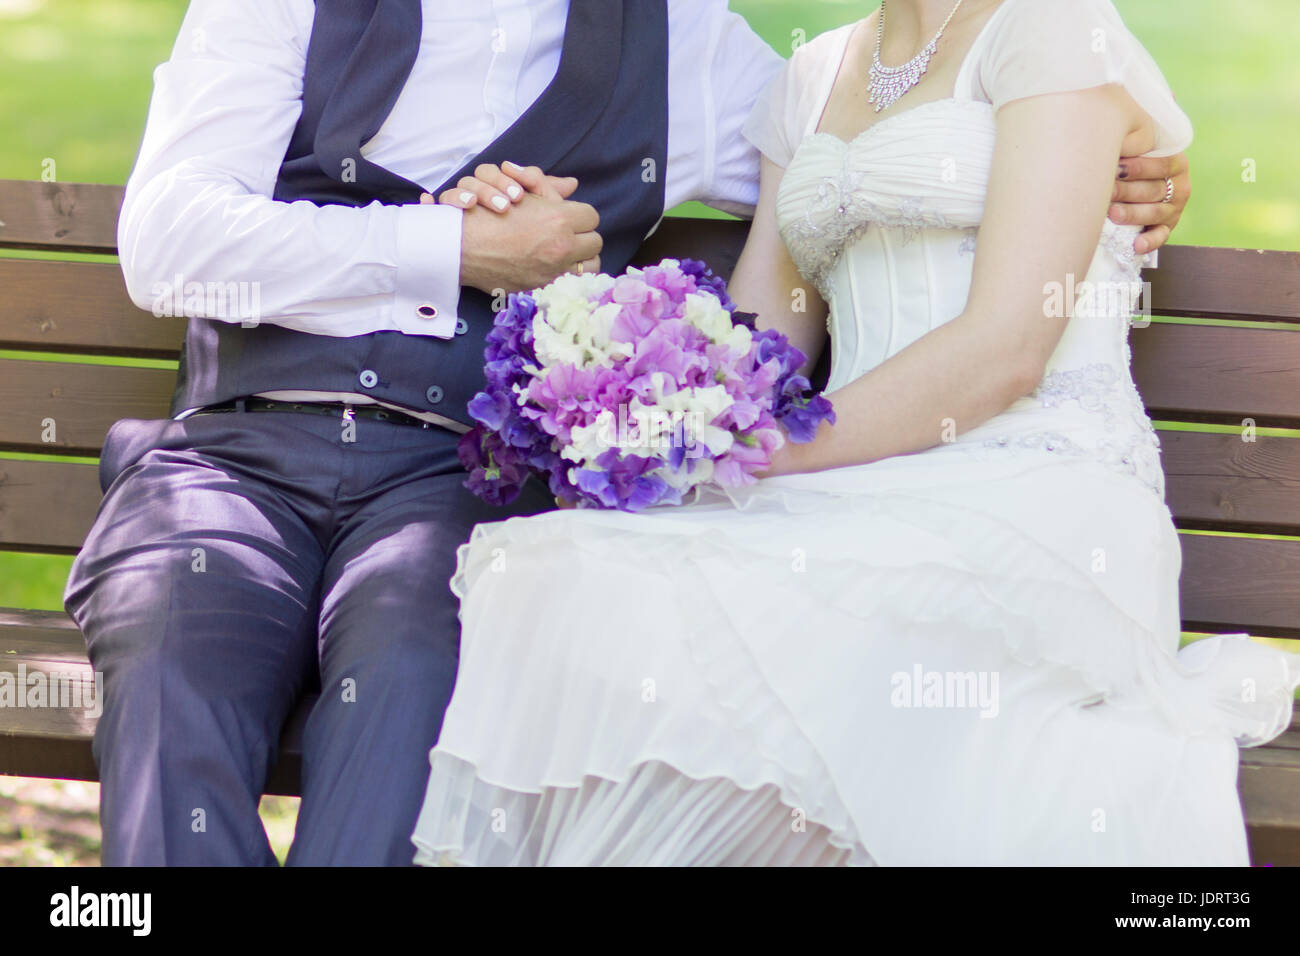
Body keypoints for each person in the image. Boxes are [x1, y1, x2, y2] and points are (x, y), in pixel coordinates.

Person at [65, 0, 1191, 866]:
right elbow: (167, 240)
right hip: (232, 461)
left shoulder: (686, 39)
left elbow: (879, 152)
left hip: (455, 478)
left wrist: (1118, 152)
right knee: (173, 659)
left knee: (417, 669)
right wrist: (446, 248)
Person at [411, 0, 1298, 865]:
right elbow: (757, 348)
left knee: (781, 616)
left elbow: (1008, 351)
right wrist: (609, 366)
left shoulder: (1051, 28)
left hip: (1039, 479)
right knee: (576, 568)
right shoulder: (811, 75)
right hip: (854, 484)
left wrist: (763, 451)